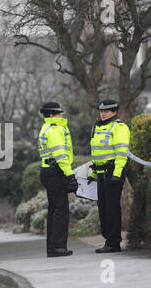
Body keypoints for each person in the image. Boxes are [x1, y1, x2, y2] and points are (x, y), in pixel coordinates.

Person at [88, 99, 130, 253]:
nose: (103, 114)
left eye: (107, 111)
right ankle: (108, 240)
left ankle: (113, 243)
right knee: (103, 209)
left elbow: (121, 153)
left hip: (113, 173)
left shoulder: (119, 127)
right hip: (101, 173)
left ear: (114, 112)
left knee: (112, 209)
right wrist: (93, 173)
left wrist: (117, 175)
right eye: (101, 111)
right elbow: (97, 153)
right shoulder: (98, 127)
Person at [38, 102, 78, 258]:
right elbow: (61, 156)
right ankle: (58, 247)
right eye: (58, 113)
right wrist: (70, 175)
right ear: (51, 115)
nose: (61, 115)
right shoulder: (55, 130)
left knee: (54, 210)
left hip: (48, 171)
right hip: (56, 172)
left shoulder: (46, 128)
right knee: (60, 211)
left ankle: (52, 247)